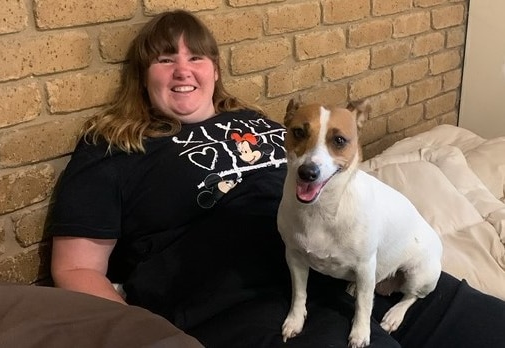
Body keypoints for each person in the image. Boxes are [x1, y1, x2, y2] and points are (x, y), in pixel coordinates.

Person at [49, 9, 505, 348]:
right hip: (249, 300)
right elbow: (75, 267)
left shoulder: (259, 121)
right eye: (166, 59)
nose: (184, 70)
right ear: (142, 75)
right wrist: (143, 334)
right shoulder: (112, 147)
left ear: (215, 69)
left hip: (357, 263)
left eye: (197, 58)